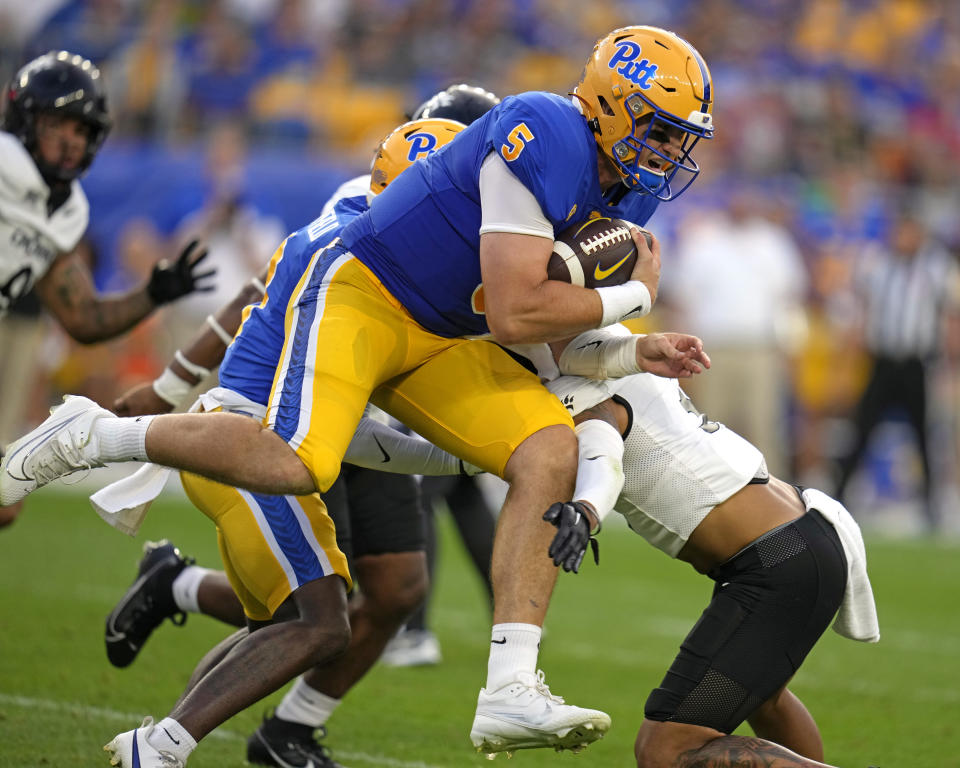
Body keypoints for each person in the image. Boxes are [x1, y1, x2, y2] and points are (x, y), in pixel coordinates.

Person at [1, 25, 714, 759]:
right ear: (612, 102)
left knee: (546, 450)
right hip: (367, 295)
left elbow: (533, 337)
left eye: (678, 138)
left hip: (443, 336)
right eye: (661, 129)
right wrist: (631, 295)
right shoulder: (543, 129)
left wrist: (632, 348)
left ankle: (509, 688)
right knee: (298, 463)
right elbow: (515, 308)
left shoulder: (624, 187)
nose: (669, 152)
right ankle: (90, 436)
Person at [100, 111, 479, 768]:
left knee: (355, 602)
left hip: (340, 431)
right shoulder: (359, 228)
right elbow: (261, 302)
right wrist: (172, 385)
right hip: (281, 430)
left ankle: (229, 723)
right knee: (310, 620)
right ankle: (162, 745)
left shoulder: (454, 238)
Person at [528, 325, 879, 767]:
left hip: (778, 559)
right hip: (798, 536)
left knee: (665, 749)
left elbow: (603, 452)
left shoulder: (582, 384)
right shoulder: (614, 347)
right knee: (761, 697)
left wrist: (586, 509)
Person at [0, 50, 214, 528]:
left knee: (5, 500)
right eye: (61, 124)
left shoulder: (63, 209)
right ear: (26, 118)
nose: (72, 141)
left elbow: (83, 319)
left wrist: (152, 295)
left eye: (82, 130)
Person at [832, 210, 960, 531]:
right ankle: (838, 494)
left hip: (917, 363)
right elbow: (863, 311)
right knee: (863, 428)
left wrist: (948, 363)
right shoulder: (877, 264)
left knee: (924, 435)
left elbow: (948, 317)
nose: (904, 238)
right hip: (883, 360)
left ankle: (932, 506)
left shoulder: (937, 267)